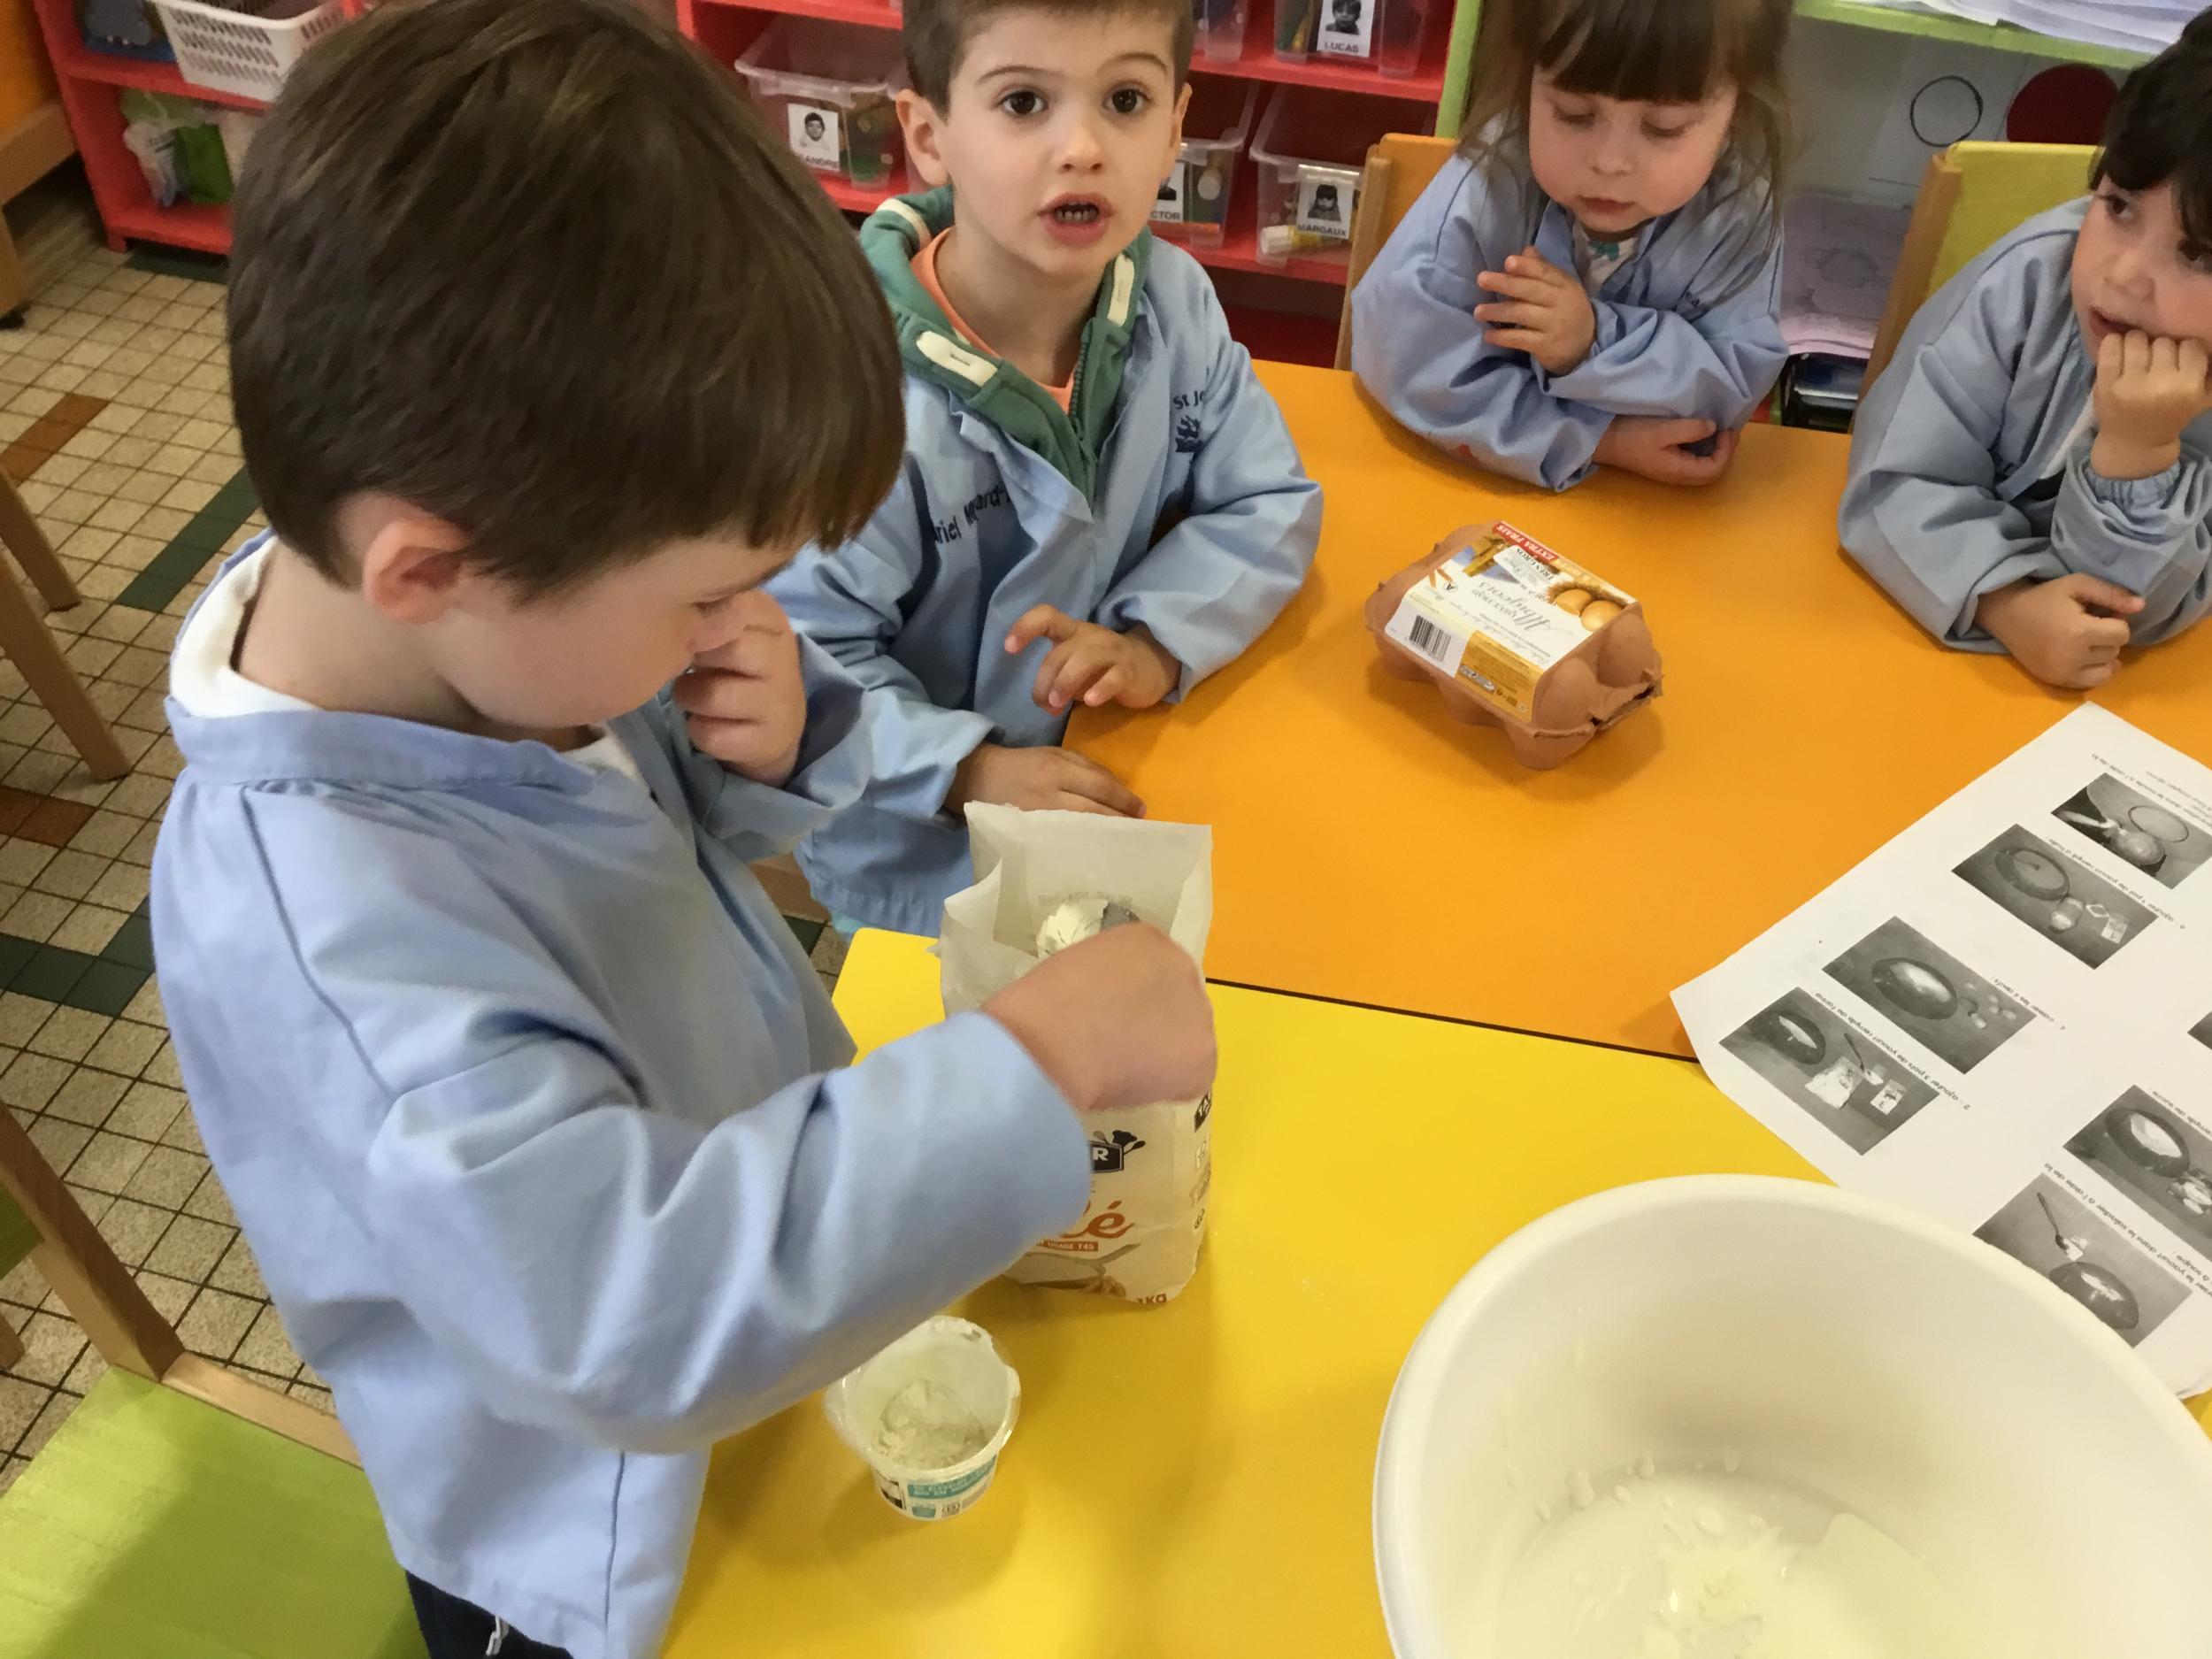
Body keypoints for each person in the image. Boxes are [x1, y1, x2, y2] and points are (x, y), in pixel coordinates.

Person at [150, 4, 1215, 1655]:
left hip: (767, 1290)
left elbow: (635, 824)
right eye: (706, 592)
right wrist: (1038, 1063)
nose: (740, 621)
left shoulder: (476, 619)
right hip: (597, 1536)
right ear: (429, 569)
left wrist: (780, 735)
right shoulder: (328, 934)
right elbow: (620, 1320)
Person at [765, 0, 1323, 937]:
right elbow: (796, 662)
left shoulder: (1174, 301)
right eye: (1024, 102)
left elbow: (1266, 498)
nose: (1083, 149)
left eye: (1126, 100)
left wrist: (1154, 641)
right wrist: (966, 770)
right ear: (928, 137)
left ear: (1177, 128)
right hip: (925, 850)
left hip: (1124, 770)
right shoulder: (853, 396)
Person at [1839, 19, 2212, 689]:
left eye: (2199, 255)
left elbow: (2136, 616)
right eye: (2118, 206)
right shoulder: (2026, 284)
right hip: (1924, 647)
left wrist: (2139, 455)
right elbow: (1894, 483)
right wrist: (2004, 603)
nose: (2124, 275)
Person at [1349, 0, 1791, 492]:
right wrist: (1598, 440)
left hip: (1649, 512)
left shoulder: (1737, 212)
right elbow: (1406, 362)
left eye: (1662, 128)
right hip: (1464, 487)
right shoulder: (1488, 185)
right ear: (1526, 87)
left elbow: (1731, 388)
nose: (1609, 162)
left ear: (1736, 114)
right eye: (1574, 115)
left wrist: (1594, 341)